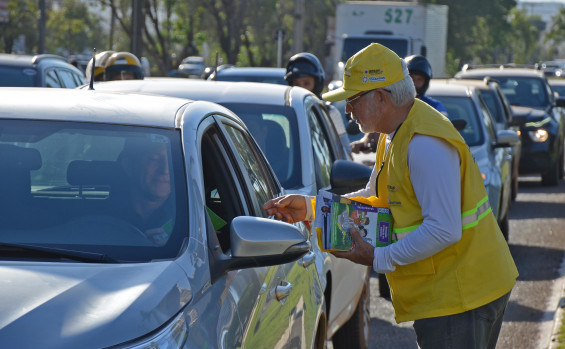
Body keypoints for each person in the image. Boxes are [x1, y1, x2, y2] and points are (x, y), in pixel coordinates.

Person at [263, 43, 518, 349]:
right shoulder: (395, 131)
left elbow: (443, 228)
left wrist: (378, 257)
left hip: (463, 296)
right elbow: (376, 195)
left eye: (352, 100)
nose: (347, 110)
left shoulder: (424, 143)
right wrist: (311, 209)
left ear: (381, 98)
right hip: (455, 292)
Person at [350, 54, 447, 154]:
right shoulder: (391, 103)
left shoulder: (435, 107)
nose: (414, 83)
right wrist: (366, 141)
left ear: (425, 82)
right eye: (411, 79)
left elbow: (441, 132)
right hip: (391, 155)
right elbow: (377, 124)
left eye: (419, 80)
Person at [285, 52, 352, 159]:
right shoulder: (285, 116)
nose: (301, 88)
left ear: (317, 84)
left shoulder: (330, 114)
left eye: (306, 83)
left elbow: (346, 157)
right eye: (297, 84)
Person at [118, 137, 173, 245]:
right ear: (128, 165)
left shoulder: (194, 214)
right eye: (154, 158)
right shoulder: (100, 215)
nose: (165, 170)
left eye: (172, 161)